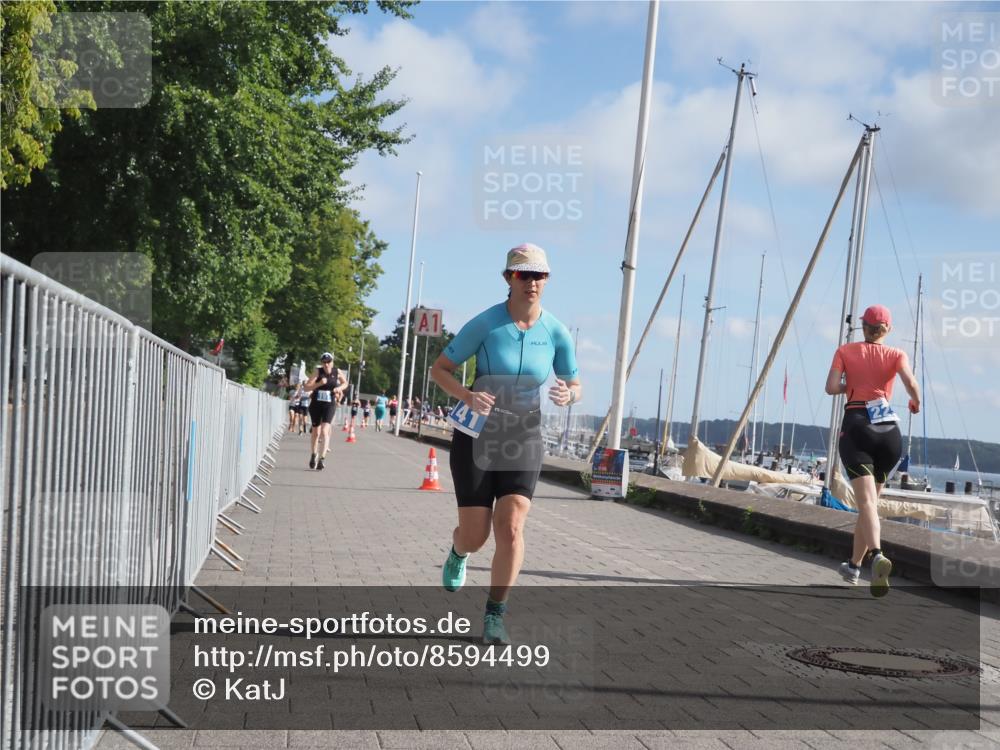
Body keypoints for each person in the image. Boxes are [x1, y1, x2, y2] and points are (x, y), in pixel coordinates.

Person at [430, 243, 581, 645]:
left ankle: (495, 614)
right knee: (476, 535)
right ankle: (459, 551)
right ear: (508, 278)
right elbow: (439, 369)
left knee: (511, 527)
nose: (532, 282)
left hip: (523, 436)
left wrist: (570, 394)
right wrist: (466, 395)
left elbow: (575, 381)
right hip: (477, 435)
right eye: (524, 274)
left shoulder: (556, 332)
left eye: (540, 275)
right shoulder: (485, 324)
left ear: (547, 280)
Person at [825, 304, 920, 597]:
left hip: (857, 427)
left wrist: (850, 383)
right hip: (889, 433)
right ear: (887, 329)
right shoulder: (896, 355)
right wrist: (915, 401)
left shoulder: (845, 351)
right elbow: (911, 384)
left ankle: (877, 554)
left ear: (863, 326)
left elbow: (830, 387)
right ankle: (854, 566)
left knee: (865, 503)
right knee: (870, 508)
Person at [304, 352, 347, 470]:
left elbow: (345, 383)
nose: (326, 364)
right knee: (315, 432)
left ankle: (322, 459)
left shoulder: (336, 371)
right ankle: (313, 455)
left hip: (329, 404)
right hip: (316, 405)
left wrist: (339, 388)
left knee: (324, 430)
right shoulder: (318, 371)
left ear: (332, 362)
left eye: (328, 362)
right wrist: (318, 384)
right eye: (324, 362)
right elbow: (306, 387)